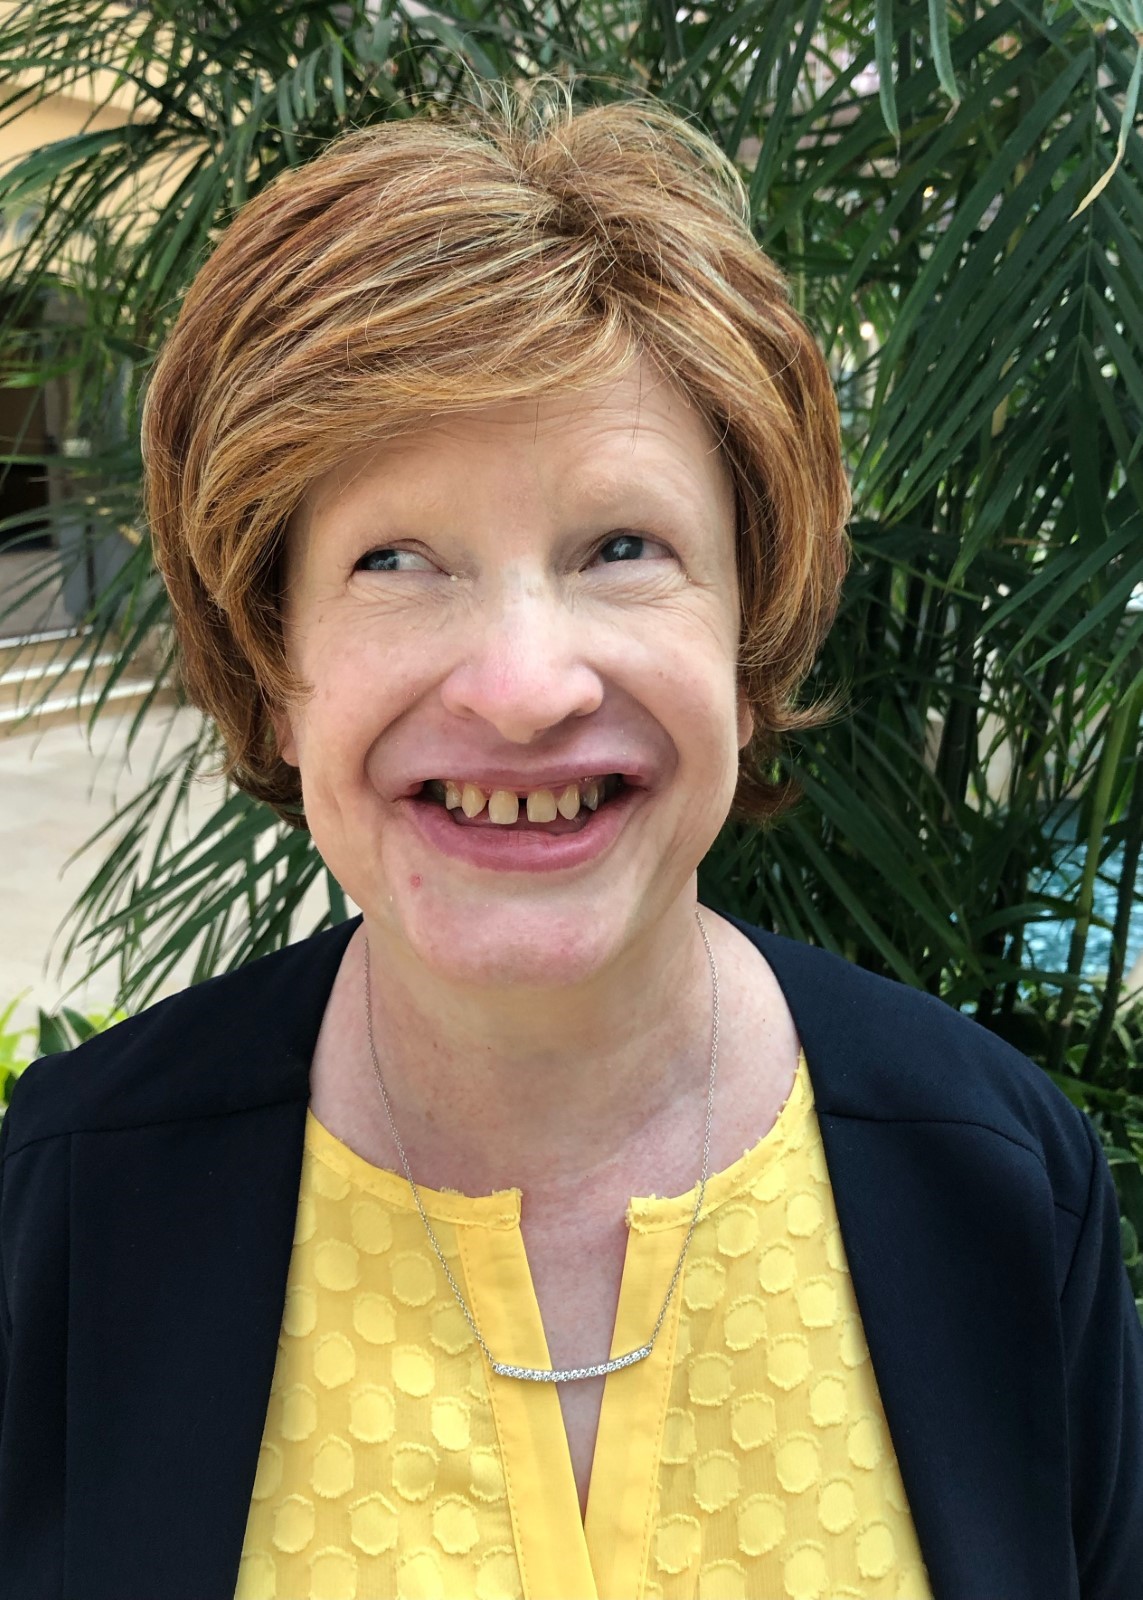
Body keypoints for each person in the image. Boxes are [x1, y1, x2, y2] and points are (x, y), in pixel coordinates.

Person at [0, 79, 1139, 1600]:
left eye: (624, 549)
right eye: (396, 559)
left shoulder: (997, 1180)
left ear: (750, 643)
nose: (527, 688)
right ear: (274, 674)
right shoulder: (74, 1202)